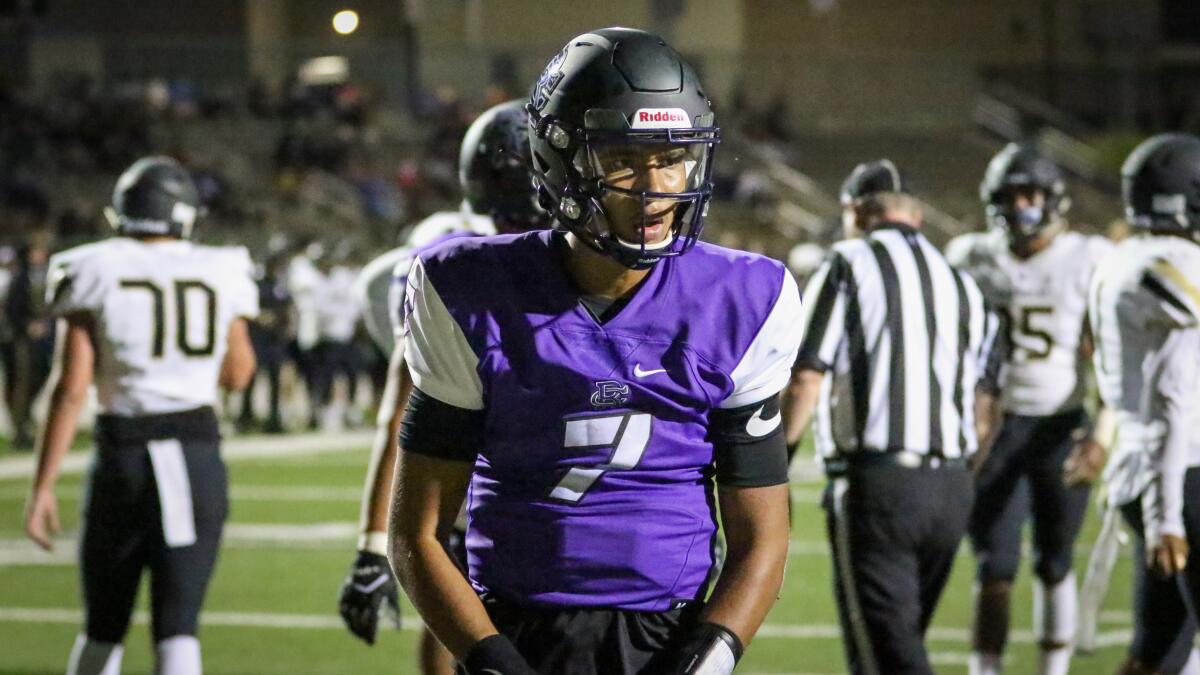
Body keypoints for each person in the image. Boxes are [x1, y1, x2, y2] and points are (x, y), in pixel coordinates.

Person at [389, 28, 800, 675]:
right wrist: (492, 659)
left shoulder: (743, 298)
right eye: (623, 157)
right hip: (515, 621)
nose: (655, 185)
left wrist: (709, 654)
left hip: (670, 628)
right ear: (559, 160)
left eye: (673, 157)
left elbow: (763, 535)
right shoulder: (469, 290)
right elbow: (417, 532)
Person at [23, 156, 258, 675]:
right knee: (177, 628)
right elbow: (240, 372)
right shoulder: (221, 267)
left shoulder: (92, 266)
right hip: (195, 454)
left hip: (123, 456)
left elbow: (70, 387)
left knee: (103, 625)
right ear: (184, 214)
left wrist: (42, 486)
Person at [339, 99, 550, 675]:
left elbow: (397, 414)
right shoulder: (457, 264)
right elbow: (405, 408)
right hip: (505, 508)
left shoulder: (456, 263)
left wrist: (369, 543)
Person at [783, 159, 1002, 675]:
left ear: (857, 212)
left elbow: (806, 376)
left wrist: (777, 463)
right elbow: (985, 408)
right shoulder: (961, 281)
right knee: (891, 648)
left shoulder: (848, 261)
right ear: (916, 217)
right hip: (950, 488)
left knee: (889, 657)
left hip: (880, 487)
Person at [944, 143, 1115, 675]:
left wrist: (1102, 435)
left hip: (1061, 425)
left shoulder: (1088, 259)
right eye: (1010, 194)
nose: (1021, 205)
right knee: (994, 567)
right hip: (994, 430)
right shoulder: (972, 255)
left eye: (1031, 193)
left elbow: (1110, 355)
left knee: (1054, 562)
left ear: (1053, 198)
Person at [1089, 133, 1200, 675]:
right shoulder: (1168, 262)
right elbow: (1174, 394)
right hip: (1180, 470)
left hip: (1144, 467)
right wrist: (1168, 515)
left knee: (1158, 648)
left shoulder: (1122, 257)